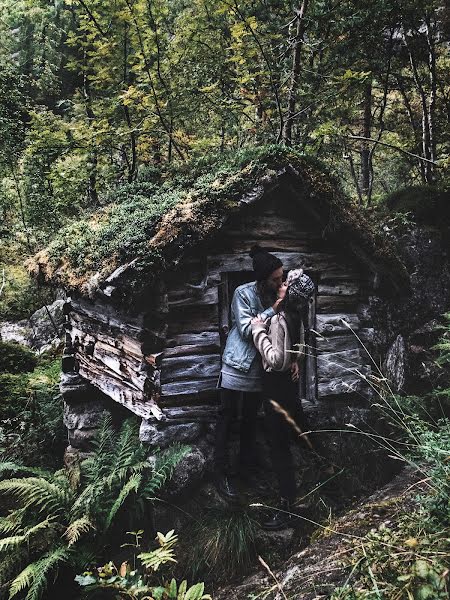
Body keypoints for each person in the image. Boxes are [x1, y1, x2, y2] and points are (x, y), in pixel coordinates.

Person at [214, 245, 286, 500]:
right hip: (237, 364)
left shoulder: (279, 293)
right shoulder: (242, 293)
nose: (280, 282)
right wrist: (273, 310)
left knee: (250, 418)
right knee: (227, 416)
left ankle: (246, 467)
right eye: (275, 278)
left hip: (261, 369)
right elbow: (246, 329)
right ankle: (220, 472)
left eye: (282, 276)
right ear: (263, 279)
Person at [251, 268, 315, 529]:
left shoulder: (277, 320)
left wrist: (258, 331)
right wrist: (296, 361)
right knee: (301, 433)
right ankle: (323, 485)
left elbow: (276, 361)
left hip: (276, 386)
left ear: (290, 292)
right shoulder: (297, 314)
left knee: (279, 448)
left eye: (286, 283)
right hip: (290, 386)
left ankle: (287, 509)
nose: (281, 285)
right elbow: (299, 345)